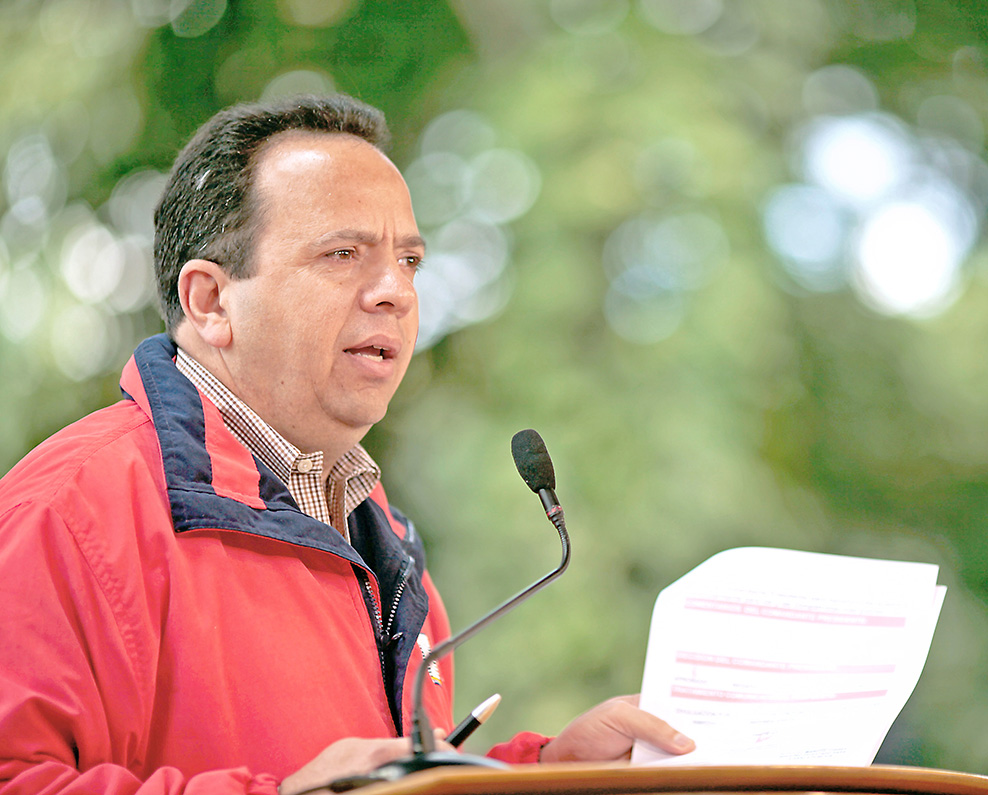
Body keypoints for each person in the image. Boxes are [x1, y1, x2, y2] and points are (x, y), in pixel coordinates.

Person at [0, 94, 693, 795]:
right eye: (343, 254)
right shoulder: (67, 512)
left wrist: (550, 772)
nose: (395, 291)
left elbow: (376, 782)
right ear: (211, 301)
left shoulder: (385, 542)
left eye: (411, 262)